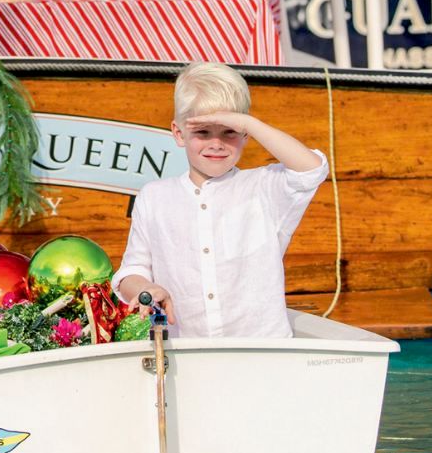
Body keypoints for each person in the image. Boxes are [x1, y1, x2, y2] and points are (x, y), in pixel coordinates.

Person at [112, 63, 327, 341]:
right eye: (203, 132)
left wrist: (248, 122)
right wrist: (146, 290)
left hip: (263, 353)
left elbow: (311, 170)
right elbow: (132, 271)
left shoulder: (263, 186)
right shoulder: (154, 197)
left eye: (229, 131)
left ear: (245, 134)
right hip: (186, 353)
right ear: (179, 133)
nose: (217, 143)